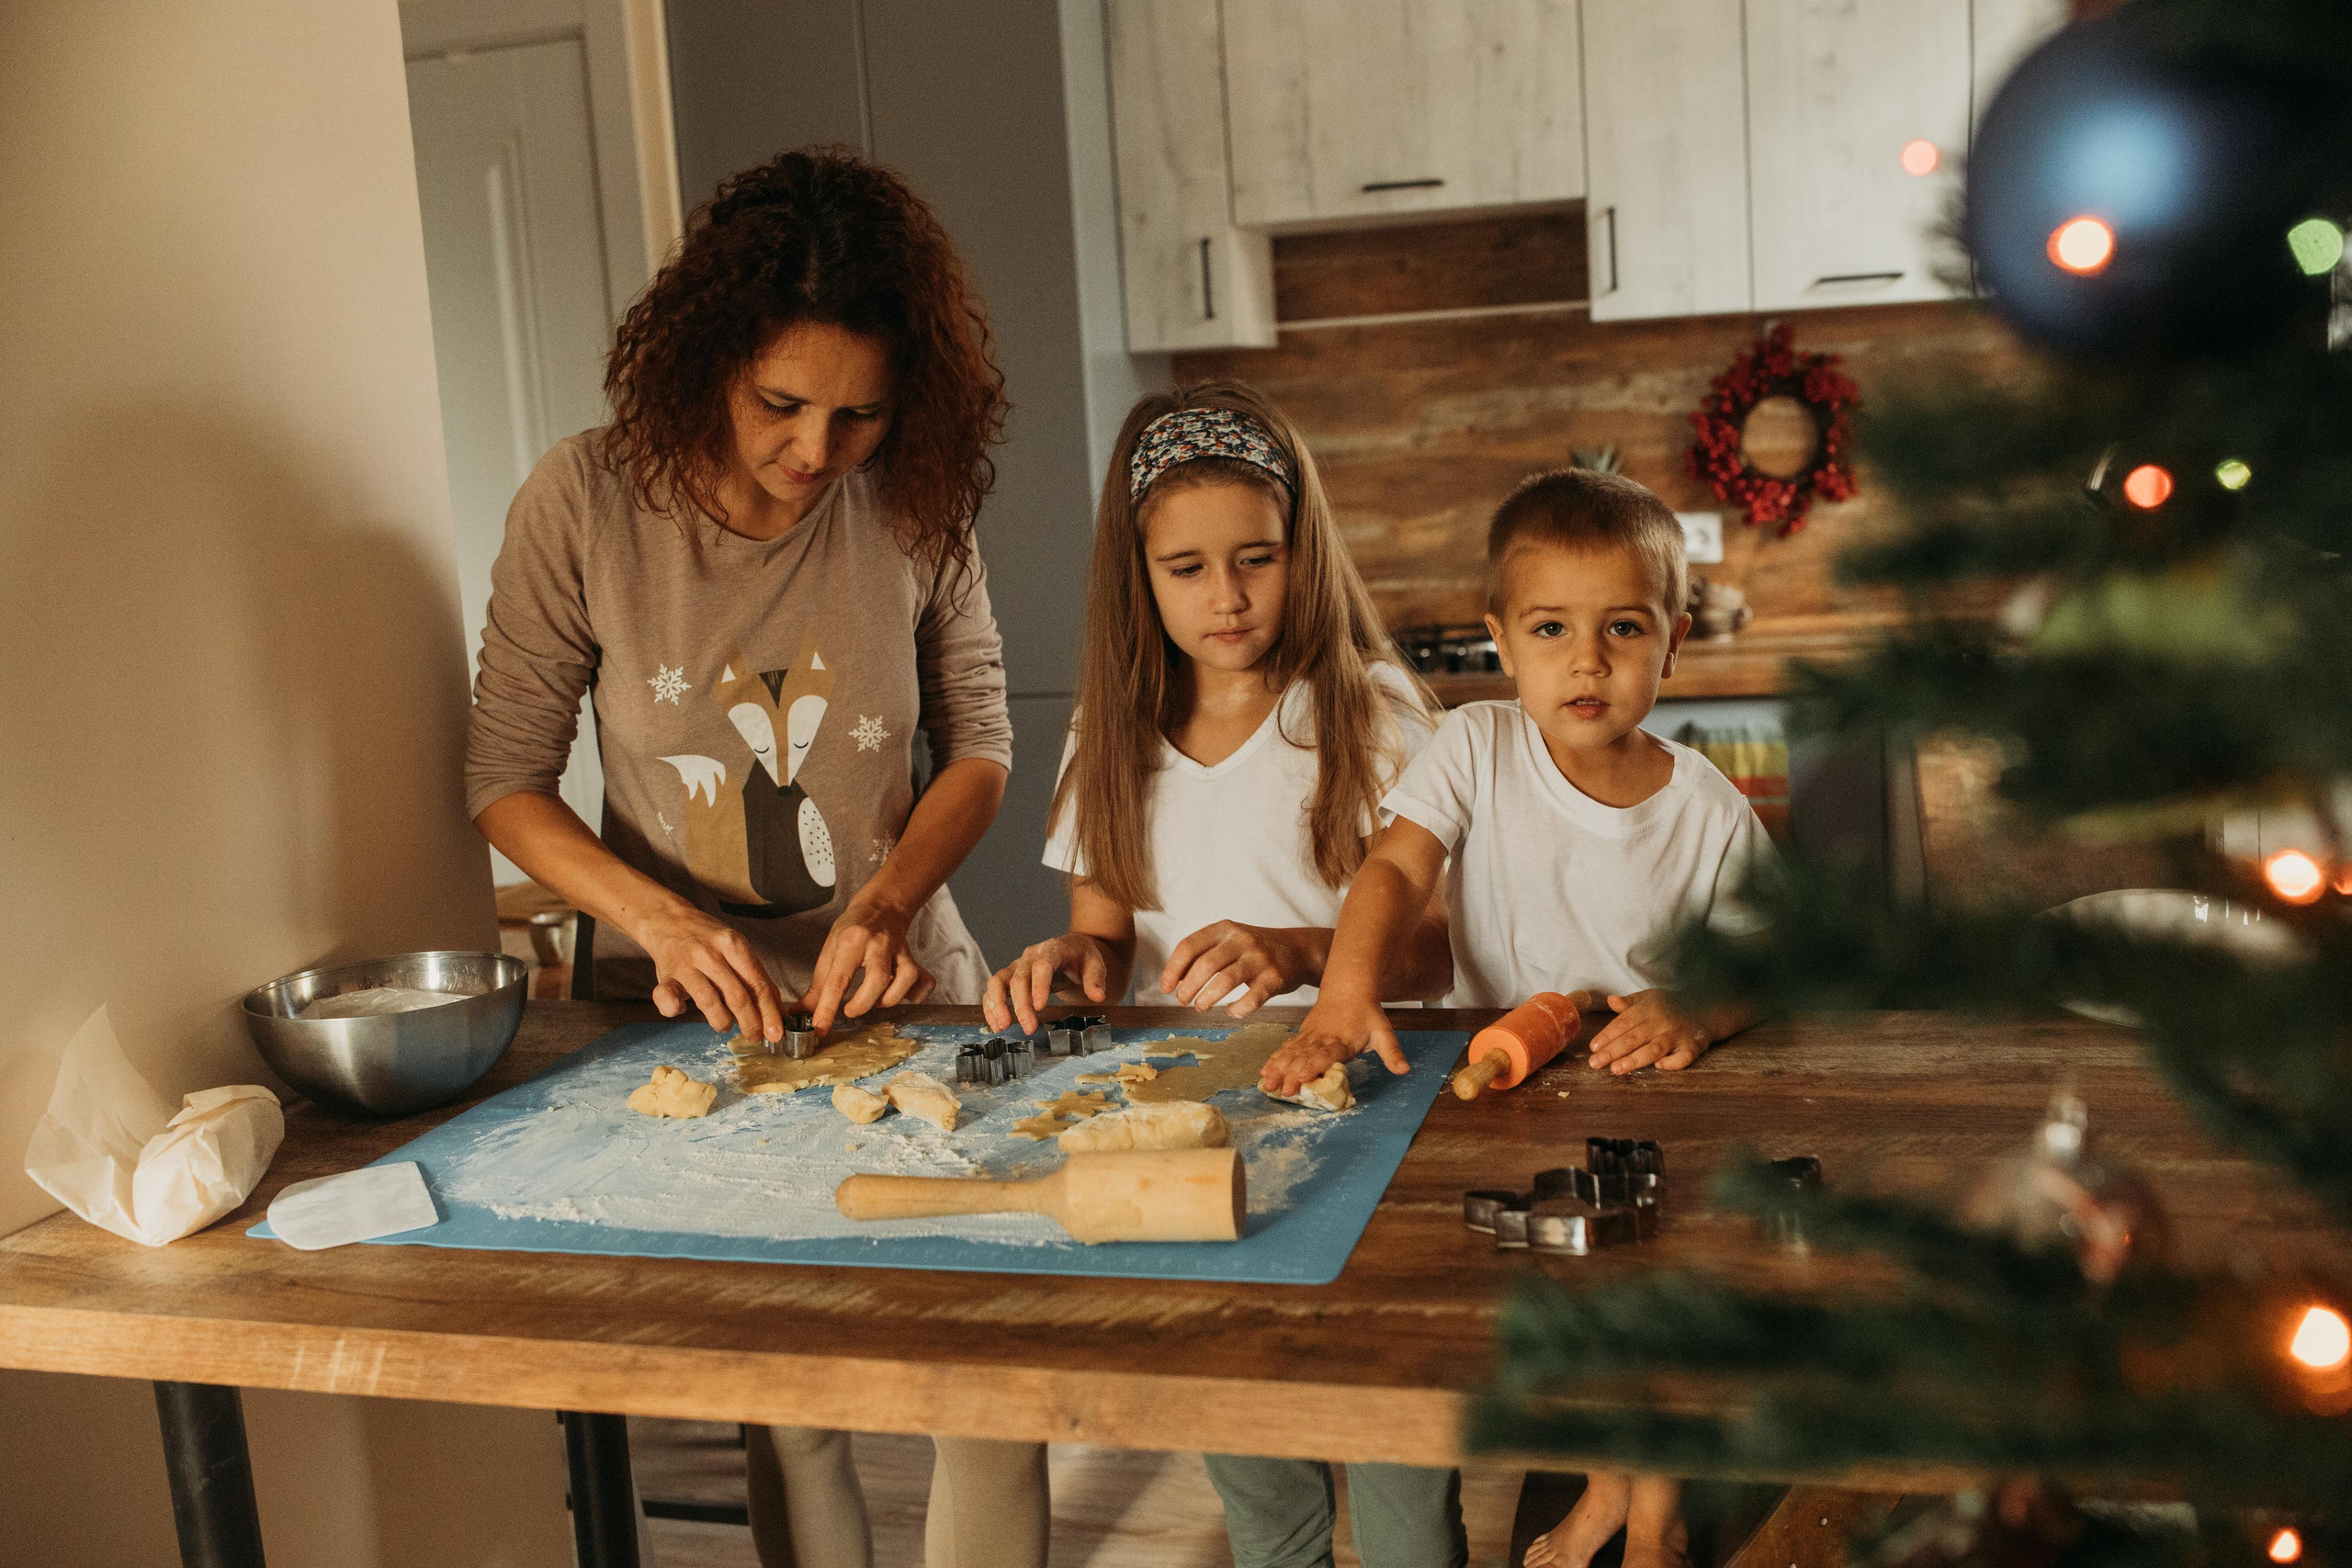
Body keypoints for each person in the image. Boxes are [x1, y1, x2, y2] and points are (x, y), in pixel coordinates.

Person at [464, 148, 1044, 1568]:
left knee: (990, 1373)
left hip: (905, 994)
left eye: (859, 414)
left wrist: (894, 897)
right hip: (686, 1026)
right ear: (709, 357)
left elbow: (980, 743)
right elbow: (505, 781)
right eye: (783, 403)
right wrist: (657, 918)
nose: (816, 449)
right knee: (789, 1395)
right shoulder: (586, 503)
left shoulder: (910, 498)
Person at [980, 380, 1462, 1568]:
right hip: (1202, 1138)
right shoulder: (1110, 733)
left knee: (1402, 1490)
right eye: (1187, 567)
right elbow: (1103, 937)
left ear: (1305, 552)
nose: (1228, 595)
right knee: (1261, 1484)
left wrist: (1304, 950)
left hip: (1377, 1120)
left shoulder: (1373, 712)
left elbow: (1449, 947)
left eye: (1258, 557)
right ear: (1137, 575)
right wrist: (1068, 959)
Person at [1260, 467, 1773, 1568]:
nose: (1586, 660)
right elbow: (1395, 867)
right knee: (1563, 1324)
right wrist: (1346, 994)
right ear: (1501, 639)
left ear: (1672, 643)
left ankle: (1656, 1524)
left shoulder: (1707, 807)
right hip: (1508, 1096)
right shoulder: (1477, 748)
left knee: (1649, 1317)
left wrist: (1701, 1006)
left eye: (1621, 628)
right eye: (1551, 628)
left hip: (1654, 1099)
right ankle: (1601, 1491)